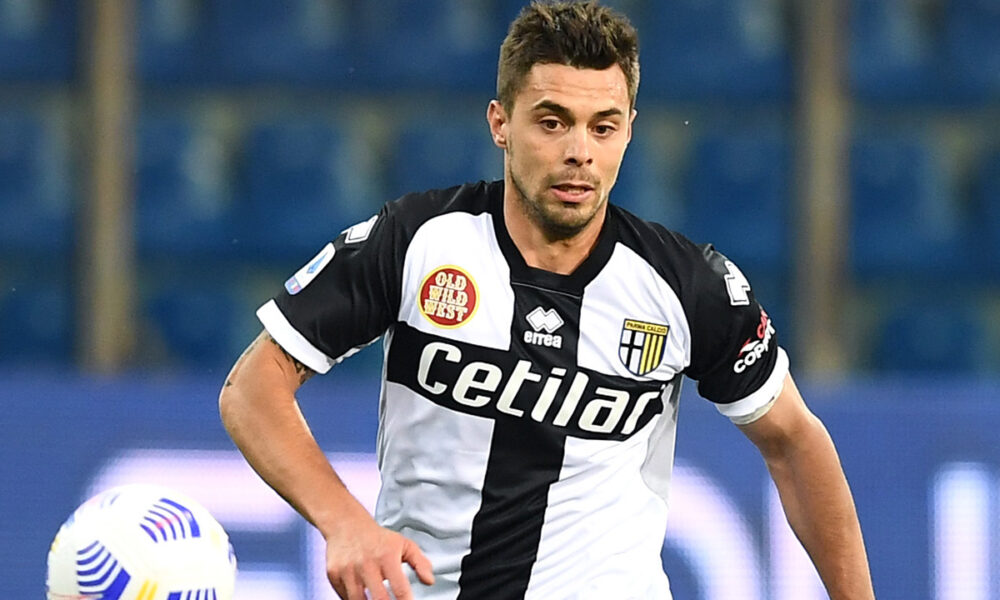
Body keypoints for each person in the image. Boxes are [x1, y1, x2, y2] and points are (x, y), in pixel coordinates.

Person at [219, 2, 875, 599]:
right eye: (553, 122)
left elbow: (793, 442)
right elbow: (253, 388)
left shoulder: (686, 285)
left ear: (629, 132)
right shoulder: (418, 241)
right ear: (500, 123)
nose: (578, 153)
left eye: (602, 127)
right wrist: (344, 523)